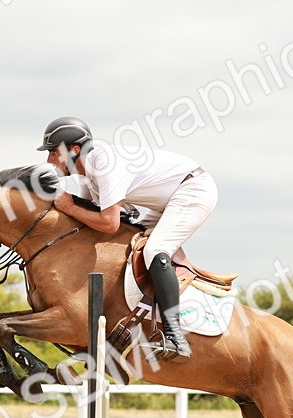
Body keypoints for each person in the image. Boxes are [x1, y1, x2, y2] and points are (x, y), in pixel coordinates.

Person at [36, 116, 217, 362]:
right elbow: (96, 215)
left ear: (74, 150)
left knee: (155, 250)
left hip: (193, 190)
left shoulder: (103, 164)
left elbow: (108, 223)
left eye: (53, 152)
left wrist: (68, 208)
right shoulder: (90, 174)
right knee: (130, 244)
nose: (49, 160)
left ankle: (177, 338)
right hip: (167, 198)